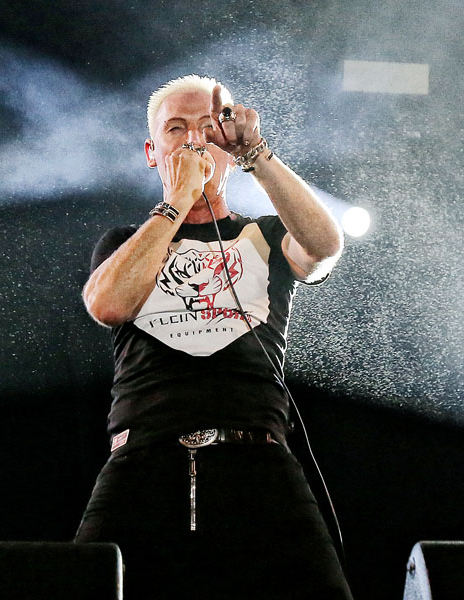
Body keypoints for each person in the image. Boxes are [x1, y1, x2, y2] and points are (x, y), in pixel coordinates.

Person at [74, 74, 352, 599]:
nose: (194, 141)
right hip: (142, 460)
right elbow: (108, 305)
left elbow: (322, 246)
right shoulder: (124, 243)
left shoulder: (265, 235)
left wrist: (256, 154)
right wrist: (178, 201)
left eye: (208, 128)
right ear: (152, 153)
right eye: (176, 129)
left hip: (259, 461)